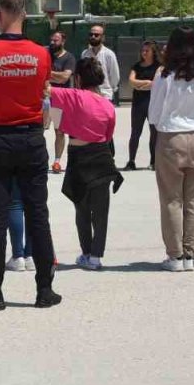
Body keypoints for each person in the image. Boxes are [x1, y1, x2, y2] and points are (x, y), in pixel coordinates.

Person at [0, 0, 60, 310]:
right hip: (32, 138)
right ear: (23, 14)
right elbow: (43, 92)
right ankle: (44, 290)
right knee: (38, 214)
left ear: (0, 14)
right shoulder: (42, 54)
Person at [149, 26, 194, 271]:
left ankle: (175, 255)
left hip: (171, 136)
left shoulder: (165, 75)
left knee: (172, 199)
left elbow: (154, 112)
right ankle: (190, 253)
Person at [48, 58, 121, 271]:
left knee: (81, 207)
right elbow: (108, 136)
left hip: (78, 155)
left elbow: (46, 90)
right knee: (101, 211)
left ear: (78, 78)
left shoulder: (73, 96)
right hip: (101, 155)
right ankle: (96, 256)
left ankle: (86, 251)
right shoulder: (108, 105)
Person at [126, 41, 160, 170]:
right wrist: (146, 82)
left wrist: (141, 85)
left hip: (153, 103)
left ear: (153, 52)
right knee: (135, 132)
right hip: (138, 103)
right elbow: (131, 81)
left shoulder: (159, 67)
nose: (144, 53)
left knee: (154, 133)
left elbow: (156, 83)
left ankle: (153, 161)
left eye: (147, 51)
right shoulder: (137, 66)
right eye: (143, 50)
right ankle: (131, 160)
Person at [46, 30, 76, 172]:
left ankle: (57, 161)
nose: (52, 43)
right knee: (38, 130)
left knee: (59, 131)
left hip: (61, 100)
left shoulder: (69, 58)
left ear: (63, 41)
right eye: (52, 40)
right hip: (44, 99)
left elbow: (65, 77)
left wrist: (47, 74)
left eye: (56, 40)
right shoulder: (46, 56)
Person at [81, 24, 121, 103]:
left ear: (103, 37)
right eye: (91, 34)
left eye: (96, 35)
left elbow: (114, 76)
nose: (93, 37)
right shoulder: (85, 54)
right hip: (88, 95)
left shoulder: (109, 54)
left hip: (105, 95)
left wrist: (110, 90)